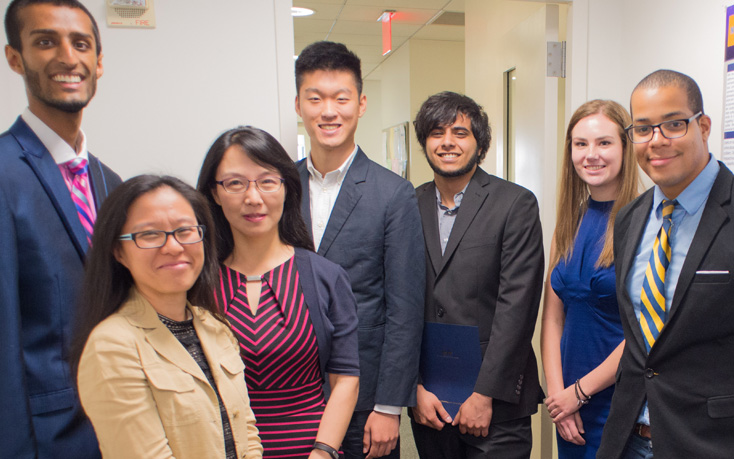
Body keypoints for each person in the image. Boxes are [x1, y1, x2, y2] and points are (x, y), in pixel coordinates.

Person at [0, 1, 121, 456]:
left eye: (81, 44)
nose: (68, 58)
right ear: (16, 58)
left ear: (99, 62)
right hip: (46, 439)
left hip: (121, 429)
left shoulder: (111, 182)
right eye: (45, 41)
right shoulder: (3, 174)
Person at [294, 41, 425, 459]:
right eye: (315, 98)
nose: (328, 111)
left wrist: (389, 406)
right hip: (289, 393)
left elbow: (404, 308)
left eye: (340, 98)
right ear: (298, 104)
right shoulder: (277, 187)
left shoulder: (394, 194)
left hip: (366, 398)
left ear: (361, 104)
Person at [197, 126, 360, 459]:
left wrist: (324, 451)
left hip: (311, 449)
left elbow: (346, 379)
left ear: (287, 187)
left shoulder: (325, 277)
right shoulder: (199, 284)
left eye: (267, 181)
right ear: (214, 192)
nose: (252, 198)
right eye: (235, 183)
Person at [73, 175, 262, 459]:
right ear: (118, 252)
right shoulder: (112, 345)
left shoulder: (216, 326)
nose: (173, 246)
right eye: (149, 234)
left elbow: (246, 432)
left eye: (185, 230)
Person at [597, 69, 734, 459]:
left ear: (703, 126)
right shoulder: (629, 219)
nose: (656, 141)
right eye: (642, 128)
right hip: (628, 438)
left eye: (673, 124)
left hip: (711, 442)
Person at [410, 91, 544, 458]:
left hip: (496, 407)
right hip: (430, 404)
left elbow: (517, 307)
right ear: (425, 142)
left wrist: (484, 394)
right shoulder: (408, 205)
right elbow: (399, 301)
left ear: (479, 143)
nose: (447, 142)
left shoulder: (514, 204)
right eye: (436, 133)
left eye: (460, 132)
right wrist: (414, 387)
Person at [540, 100, 639, 458]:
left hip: (617, 399)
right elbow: (552, 317)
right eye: (580, 144)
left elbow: (644, 333)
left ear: (626, 148)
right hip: (566, 406)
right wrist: (557, 396)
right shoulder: (568, 223)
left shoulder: (643, 224)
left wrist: (579, 392)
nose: (591, 154)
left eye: (604, 143)